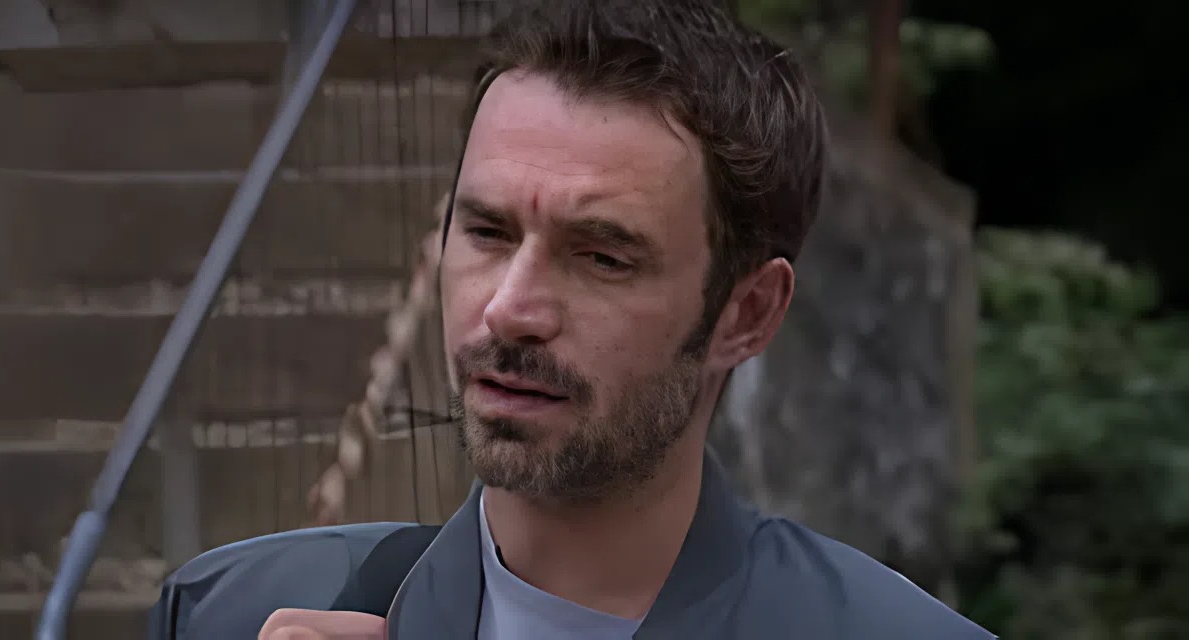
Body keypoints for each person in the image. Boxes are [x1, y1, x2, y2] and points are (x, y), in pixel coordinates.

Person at [148, 1, 995, 638]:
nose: (509, 309)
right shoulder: (232, 613)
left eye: (601, 258)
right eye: (487, 233)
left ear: (747, 313)